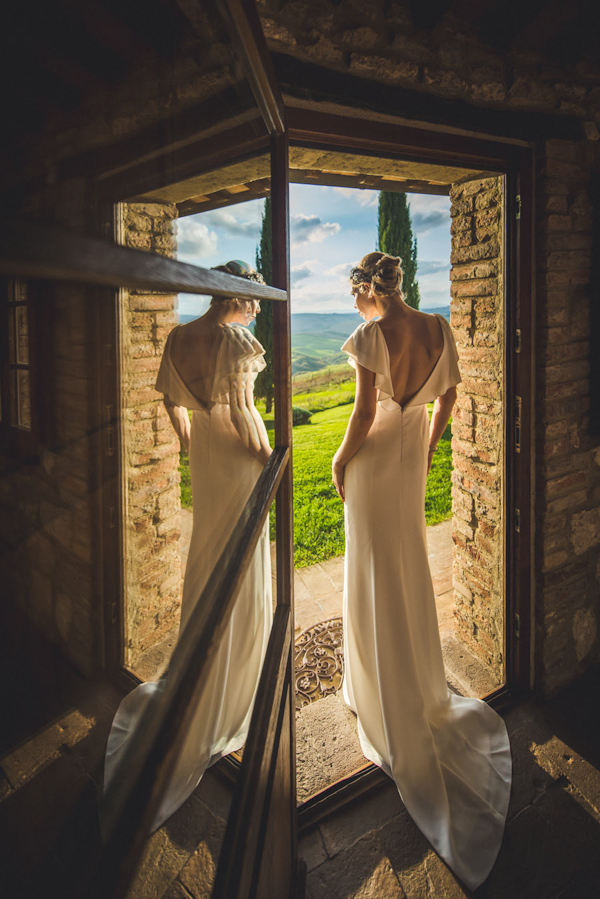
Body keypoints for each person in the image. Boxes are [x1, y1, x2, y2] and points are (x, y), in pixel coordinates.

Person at [332, 252, 511, 890]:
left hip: (373, 464)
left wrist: (336, 463)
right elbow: (452, 398)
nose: (355, 304)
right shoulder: (438, 328)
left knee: (374, 569)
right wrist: (428, 447)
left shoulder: (371, 336)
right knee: (406, 565)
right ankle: (412, 685)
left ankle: (380, 696)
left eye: (354, 293)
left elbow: (358, 416)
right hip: (408, 463)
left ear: (367, 289)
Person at [103, 261, 273, 832]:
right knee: (242, 557)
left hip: (204, 454)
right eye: (251, 296)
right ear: (238, 297)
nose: (255, 307)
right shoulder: (236, 340)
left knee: (208, 551)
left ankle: (201, 656)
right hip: (240, 454)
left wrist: (189, 437)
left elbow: (170, 403)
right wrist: (262, 457)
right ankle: (240, 675)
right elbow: (247, 410)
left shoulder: (178, 337)